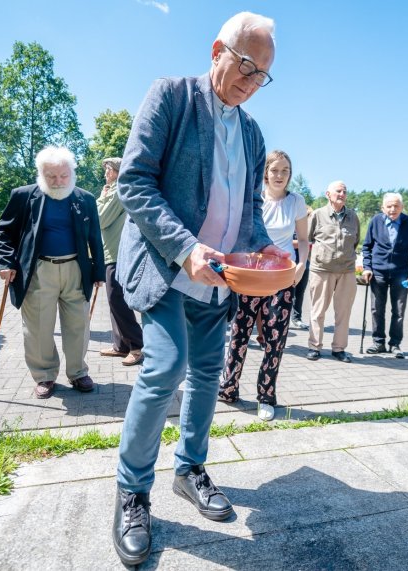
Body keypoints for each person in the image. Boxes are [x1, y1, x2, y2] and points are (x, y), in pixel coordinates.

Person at [112, 12, 284, 566]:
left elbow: (249, 211)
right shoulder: (171, 97)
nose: (251, 81)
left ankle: (189, 469)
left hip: (222, 278)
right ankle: (132, 491)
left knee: (209, 372)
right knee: (165, 368)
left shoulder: (253, 132)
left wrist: (265, 246)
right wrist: (186, 247)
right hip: (170, 267)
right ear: (218, 50)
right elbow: (135, 181)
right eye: (246, 65)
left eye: (263, 76)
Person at [0, 146, 104, 399]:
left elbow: (95, 236)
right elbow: (3, 232)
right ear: (41, 173)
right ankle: (44, 375)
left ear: (72, 173)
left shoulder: (85, 198)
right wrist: (5, 262)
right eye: (51, 176)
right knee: (39, 327)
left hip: (76, 268)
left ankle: (77, 372)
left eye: (63, 175)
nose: (58, 182)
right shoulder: (23, 196)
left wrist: (99, 270)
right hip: (38, 270)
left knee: (78, 325)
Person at [219, 150, 308, 421]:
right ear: (266, 172)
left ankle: (266, 396)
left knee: (275, 339)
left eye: (285, 171)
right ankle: (228, 388)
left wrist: (301, 264)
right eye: (275, 170)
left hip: (282, 279)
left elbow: (303, 240)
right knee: (239, 334)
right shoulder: (254, 200)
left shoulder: (297, 202)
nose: (280, 176)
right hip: (251, 276)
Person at [361, 192, 408, 358]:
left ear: (402, 207)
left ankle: (395, 344)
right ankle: (378, 342)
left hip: (401, 274)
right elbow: (366, 247)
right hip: (378, 272)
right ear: (383, 208)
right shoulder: (375, 221)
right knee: (377, 309)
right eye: (389, 206)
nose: (392, 209)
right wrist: (367, 267)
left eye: (396, 206)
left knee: (399, 310)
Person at [96, 157, 144, 367]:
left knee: (118, 299)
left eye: (108, 169)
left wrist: (103, 195)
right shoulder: (110, 189)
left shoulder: (118, 189)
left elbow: (101, 218)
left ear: (117, 171)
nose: (106, 173)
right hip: (111, 252)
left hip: (118, 254)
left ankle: (137, 346)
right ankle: (121, 345)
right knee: (113, 300)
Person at [305, 181, 360, 363]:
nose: (342, 193)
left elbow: (355, 241)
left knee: (343, 312)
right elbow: (307, 238)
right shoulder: (317, 215)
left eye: (345, 191)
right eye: (338, 190)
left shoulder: (353, 217)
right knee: (318, 310)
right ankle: (314, 347)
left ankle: (339, 349)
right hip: (322, 270)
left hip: (346, 271)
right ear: (328, 194)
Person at [290, 204, 313, 330]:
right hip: (291, 263)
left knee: (300, 292)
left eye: (308, 216)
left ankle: (297, 318)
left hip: (305, 264)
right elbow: (289, 242)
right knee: (288, 292)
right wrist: (304, 243)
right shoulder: (289, 227)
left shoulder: (307, 229)